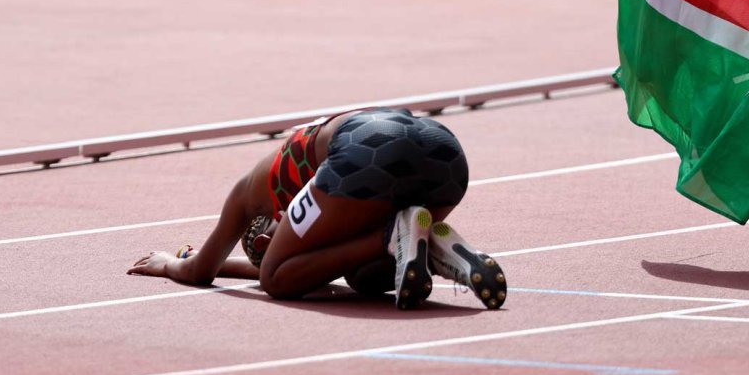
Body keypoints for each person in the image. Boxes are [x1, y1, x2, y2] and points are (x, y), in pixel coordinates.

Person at [127, 107, 507, 310]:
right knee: (363, 279)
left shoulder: (246, 194)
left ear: (270, 225)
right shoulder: (302, 196)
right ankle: (434, 247)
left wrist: (169, 262)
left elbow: (199, 272)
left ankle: (393, 233)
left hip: (367, 151)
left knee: (277, 279)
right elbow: (319, 265)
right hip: (444, 154)